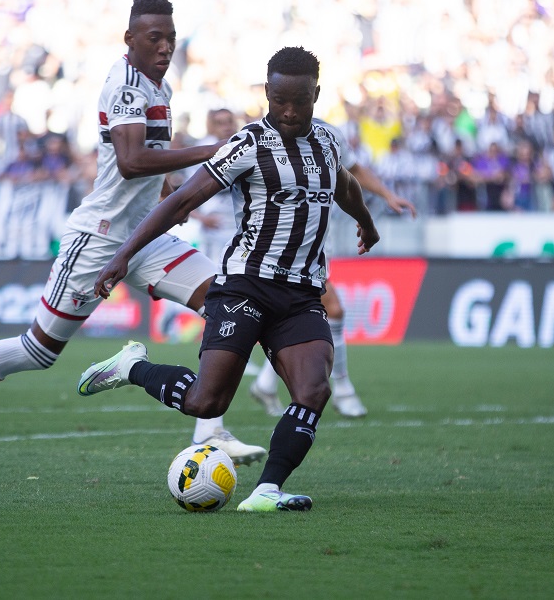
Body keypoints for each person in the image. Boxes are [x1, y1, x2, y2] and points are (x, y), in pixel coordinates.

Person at [0, 0, 265, 465]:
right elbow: (129, 162)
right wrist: (212, 149)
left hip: (145, 235)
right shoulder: (127, 86)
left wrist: (166, 188)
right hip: (100, 238)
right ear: (130, 39)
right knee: (37, 350)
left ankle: (209, 432)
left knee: (226, 305)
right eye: (154, 38)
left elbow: (138, 157)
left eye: (170, 38)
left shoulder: (158, 85)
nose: (165, 47)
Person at [78, 46, 380, 512]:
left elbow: (343, 184)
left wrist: (365, 219)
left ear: (316, 94)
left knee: (314, 390)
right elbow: (181, 203)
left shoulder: (327, 140)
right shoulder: (248, 145)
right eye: (279, 100)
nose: (289, 111)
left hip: (301, 294)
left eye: (300, 101)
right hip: (246, 287)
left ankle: (266, 491)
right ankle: (131, 368)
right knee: (206, 402)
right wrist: (125, 253)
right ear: (268, 92)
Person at [248, 146, 417, 418]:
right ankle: (342, 389)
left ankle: (266, 384)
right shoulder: (262, 136)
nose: (292, 108)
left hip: (308, 247)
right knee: (331, 311)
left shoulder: (327, 135)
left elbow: (353, 173)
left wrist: (386, 196)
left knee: (298, 317)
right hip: (275, 246)